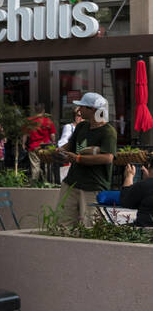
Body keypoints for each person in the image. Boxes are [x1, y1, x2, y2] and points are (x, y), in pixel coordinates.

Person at [55, 92, 117, 227]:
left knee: (91, 226)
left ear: (92, 110)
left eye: (82, 107)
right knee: (63, 223)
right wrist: (60, 150)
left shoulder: (108, 131)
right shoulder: (82, 126)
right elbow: (70, 144)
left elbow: (108, 158)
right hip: (71, 182)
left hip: (93, 186)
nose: (79, 110)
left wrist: (78, 158)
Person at [22, 105, 56, 182]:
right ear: (43, 111)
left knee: (35, 166)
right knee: (47, 166)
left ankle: (35, 183)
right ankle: (48, 182)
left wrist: (23, 144)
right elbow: (52, 135)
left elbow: (25, 134)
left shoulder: (29, 121)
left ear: (35, 111)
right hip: (46, 147)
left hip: (33, 147)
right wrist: (53, 143)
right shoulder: (48, 121)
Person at [57, 109, 81, 182]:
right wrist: (67, 154)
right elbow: (62, 143)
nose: (80, 118)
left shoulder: (86, 128)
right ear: (74, 116)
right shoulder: (69, 127)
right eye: (78, 115)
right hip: (71, 160)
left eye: (83, 116)